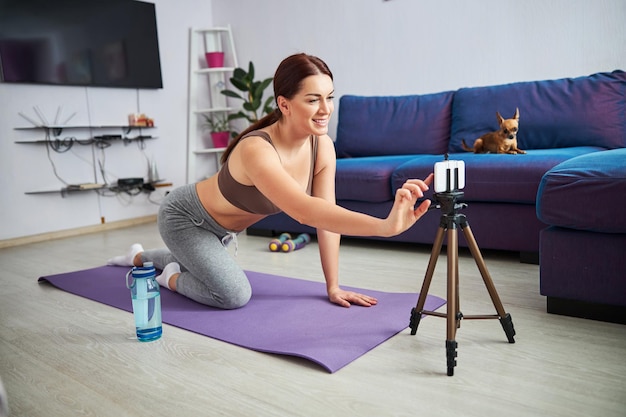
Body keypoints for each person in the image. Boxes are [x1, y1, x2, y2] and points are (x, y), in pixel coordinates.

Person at [108, 53, 432, 309]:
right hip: (186, 219)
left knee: (211, 267)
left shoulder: (322, 148)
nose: (325, 109)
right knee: (234, 295)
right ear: (284, 103)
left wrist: (332, 286)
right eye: (313, 99)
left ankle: (139, 257)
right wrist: (384, 226)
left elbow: (326, 216)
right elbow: (306, 212)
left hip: (222, 233)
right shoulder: (256, 149)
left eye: (329, 97)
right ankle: (170, 277)